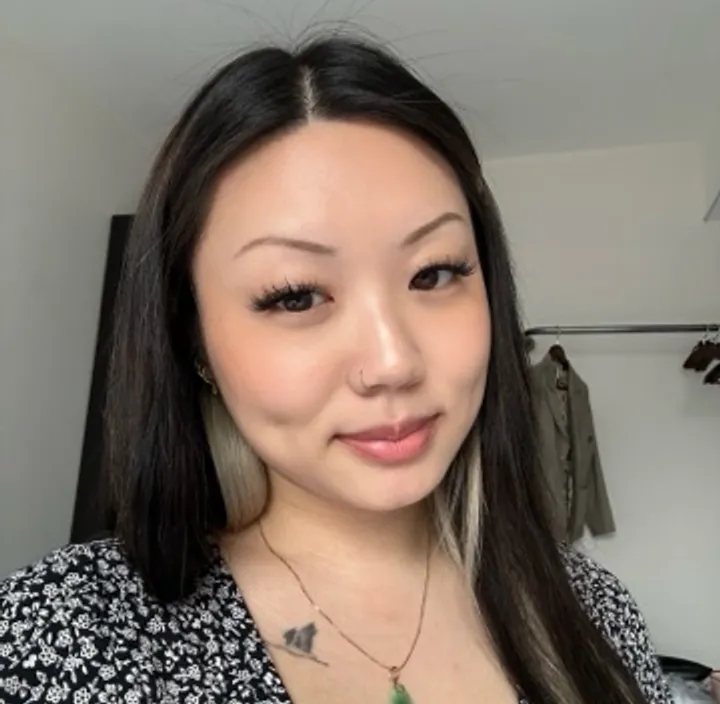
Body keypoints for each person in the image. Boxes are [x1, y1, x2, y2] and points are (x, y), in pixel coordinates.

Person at [0, 36, 671, 704]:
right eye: (295, 296)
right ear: (194, 338)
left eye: (435, 273)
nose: (392, 362)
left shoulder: (596, 614)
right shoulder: (55, 638)